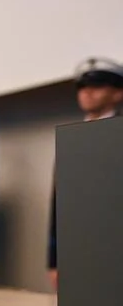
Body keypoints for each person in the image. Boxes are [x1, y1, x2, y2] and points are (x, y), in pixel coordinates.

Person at [47, 57, 123, 291]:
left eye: (98, 86)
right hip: (78, 251)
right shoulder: (72, 139)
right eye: (83, 87)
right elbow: (60, 204)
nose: (88, 92)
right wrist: (55, 260)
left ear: (118, 93)